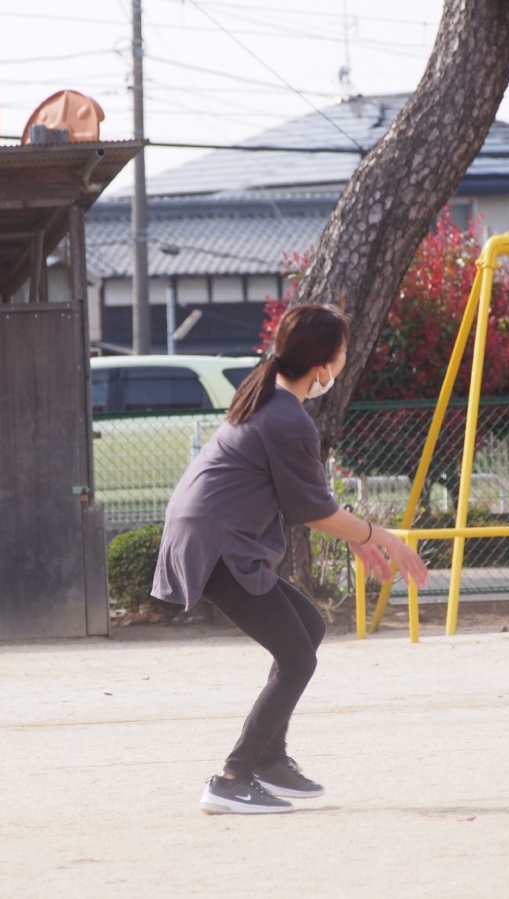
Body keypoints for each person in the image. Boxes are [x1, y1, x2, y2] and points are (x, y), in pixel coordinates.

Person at [152, 303, 429, 815]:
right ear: (322, 365)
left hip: (211, 535)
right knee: (298, 658)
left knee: (308, 628)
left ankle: (269, 760)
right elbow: (313, 510)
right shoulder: (286, 416)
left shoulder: (270, 397)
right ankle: (232, 777)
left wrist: (355, 537)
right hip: (217, 544)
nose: (345, 359)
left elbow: (309, 503)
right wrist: (383, 537)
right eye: (343, 351)